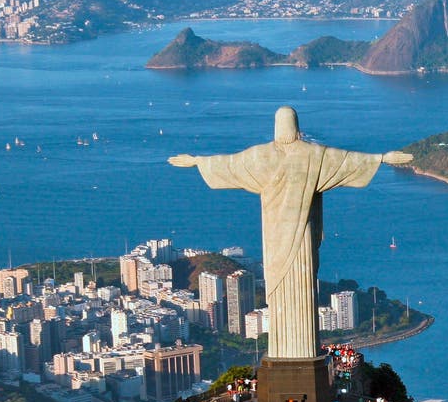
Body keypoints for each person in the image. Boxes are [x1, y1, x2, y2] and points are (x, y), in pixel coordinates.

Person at [169, 107, 411, 360]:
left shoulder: (261, 157)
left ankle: (292, 353)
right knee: (294, 286)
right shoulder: (312, 155)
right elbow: (347, 161)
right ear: (296, 127)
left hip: (277, 237)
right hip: (298, 238)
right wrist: (381, 158)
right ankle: (298, 352)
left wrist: (198, 161)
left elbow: (228, 164)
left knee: (287, 287)